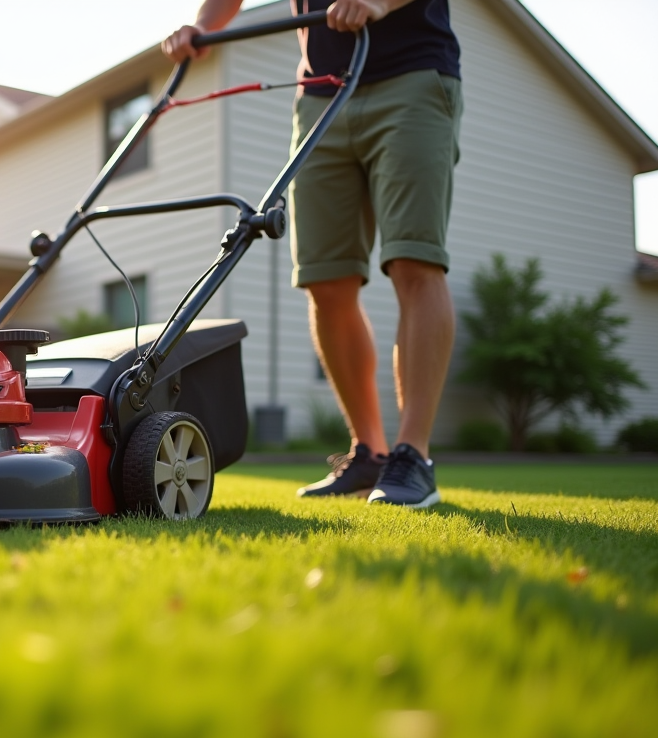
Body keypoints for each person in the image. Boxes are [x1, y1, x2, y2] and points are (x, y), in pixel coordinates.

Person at [163, 0, 462, 508]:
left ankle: (413, 455)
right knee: (326, 280)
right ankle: (368, 451)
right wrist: (203, 27)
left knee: (415, 261)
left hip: (411, 74)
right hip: (320, 94)